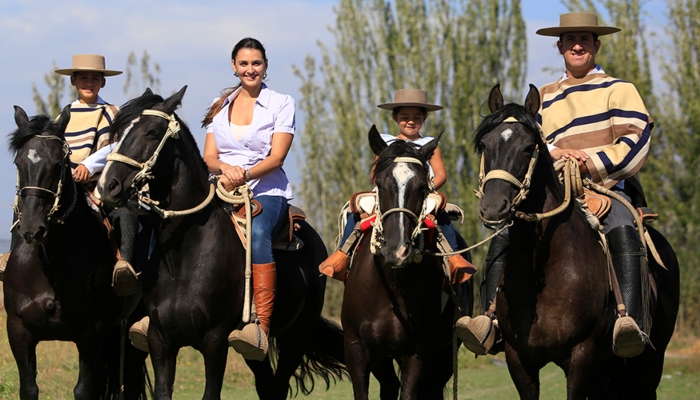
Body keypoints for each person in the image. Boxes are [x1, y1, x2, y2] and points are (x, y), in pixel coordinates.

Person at [456, 12, 652, 359]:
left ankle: (629, 321)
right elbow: (529, 144)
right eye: (570, 40)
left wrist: (587, 162)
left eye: (585, 39)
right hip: (553, 190)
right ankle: (490, 320)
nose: (578, 45)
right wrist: (558, 152)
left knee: (622, 225)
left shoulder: (620, 89)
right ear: (560, 47)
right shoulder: (544, 95)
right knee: (505, 231)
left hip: (605, 187)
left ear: (596, 45)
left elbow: (636, 139)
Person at [0, 54, 140, 296]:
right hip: (67, 184)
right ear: (73, 81)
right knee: (26, 201)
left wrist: (89, 166)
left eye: (94, 78)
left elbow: (118, 146)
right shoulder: (64, 115)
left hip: (101, 184)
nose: (88, 83)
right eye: (83, 78)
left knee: (126, 212)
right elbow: (55, 150)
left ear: (103, 82)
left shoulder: (112, 112)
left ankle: (125, 267)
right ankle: (11, 256)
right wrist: (67, 169)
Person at [318, 89, 476, 283]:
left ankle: (453, 259)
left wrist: (424, 187)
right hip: (389, 192)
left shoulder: (429, 143)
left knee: (441, 214)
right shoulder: (386, 142)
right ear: (394, 117)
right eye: (404, 117)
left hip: (421, 192)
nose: (410, 121)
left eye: (417, 117)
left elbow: (441, 173)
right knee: (357, 210)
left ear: (425, 117)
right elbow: (375, 173)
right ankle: (342, 255)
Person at [205, 37, 296, 361]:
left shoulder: (281, 102)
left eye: (256, 63)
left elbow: (277, 157)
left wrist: (244, 173)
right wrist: (226, 168)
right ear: (234, 67)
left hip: (266, 189)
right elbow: (209, 157)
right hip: (221, 185)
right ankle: (156, 312)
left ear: (265, 66)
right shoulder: (221, 104)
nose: (250, 69)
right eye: (243, 63)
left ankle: (262, 326)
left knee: (258, 233)